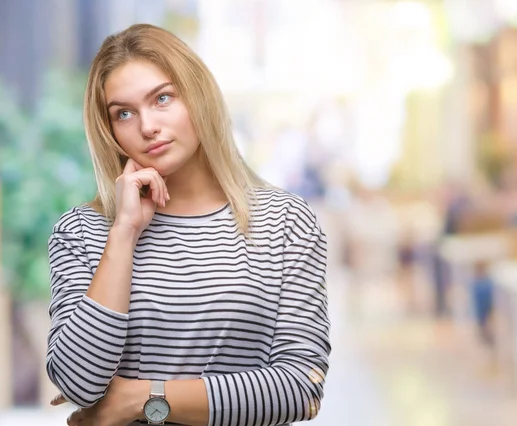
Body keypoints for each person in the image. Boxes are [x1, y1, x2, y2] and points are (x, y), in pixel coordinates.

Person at [46, 24, 330, 426]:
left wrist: (139, 397)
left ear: (198, 96)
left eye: (162, 98)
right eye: (123, 113)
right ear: (109, 131)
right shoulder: (83, 232)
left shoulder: (285, 222)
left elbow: (301, 388)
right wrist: (124, 235)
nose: (147, 126)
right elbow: (78, 383)